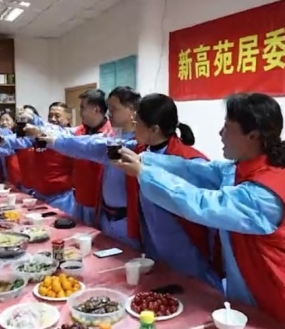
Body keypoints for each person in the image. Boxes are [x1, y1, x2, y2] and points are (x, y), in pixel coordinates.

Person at [112, 93, 285, 329]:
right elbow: (195, 169)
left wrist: (144, 173)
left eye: (227, 128)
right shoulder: (240, 168)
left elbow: (201, 204)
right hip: (257, 293)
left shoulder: (265, 194)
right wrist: (147, 159)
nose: (220, 133)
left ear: (253, 136)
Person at [43, 94, 220, 288]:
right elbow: (93, 147)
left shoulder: (191, 161)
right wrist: (54, 141)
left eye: (137, 123)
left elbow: (211, 214)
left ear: (154, 129)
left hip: (183, 244)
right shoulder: (139, 149)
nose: (133, 127)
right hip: (149, 238)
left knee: (193, 290)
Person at [39, 86, 140, 245]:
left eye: (114, 108)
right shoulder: (112, 135)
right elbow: (73, 138)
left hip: (124, 216)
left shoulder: (136, 143)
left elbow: (88, 146)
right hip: (101, 208)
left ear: (132, 110)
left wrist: (54, 141)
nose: (109, 113)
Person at [0, 103, 75, 215]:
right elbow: (19, 140)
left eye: (57, 116)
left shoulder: (70, 136)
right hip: (39, 195)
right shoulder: (40, 135)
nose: (52, 119)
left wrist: (34, 118)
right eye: (50, 116)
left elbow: (56, 132)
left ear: (68, 118)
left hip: (62, 198)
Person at [69, 88, 113, 225]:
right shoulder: (79, 131)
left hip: (98, 203)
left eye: (83, 107)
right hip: (79, 198)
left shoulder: (111, 134)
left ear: (96, 109)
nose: (80, 112)